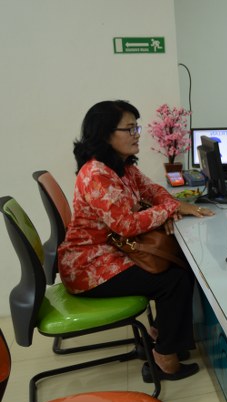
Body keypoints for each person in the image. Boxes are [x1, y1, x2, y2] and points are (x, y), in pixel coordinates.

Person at [58, 100, 214, 381]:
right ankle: (165, 356)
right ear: (106, 134)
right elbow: (126, 225)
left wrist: (168, 207)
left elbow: (152, 190)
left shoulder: (121, 166)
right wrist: (169, 209)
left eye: (136, 128)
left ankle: (159, 337)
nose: (136, 134)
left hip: (109, 253)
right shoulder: (96, 174)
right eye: (129, 129)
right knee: (174, 280)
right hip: (88, 267)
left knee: (177, 268)